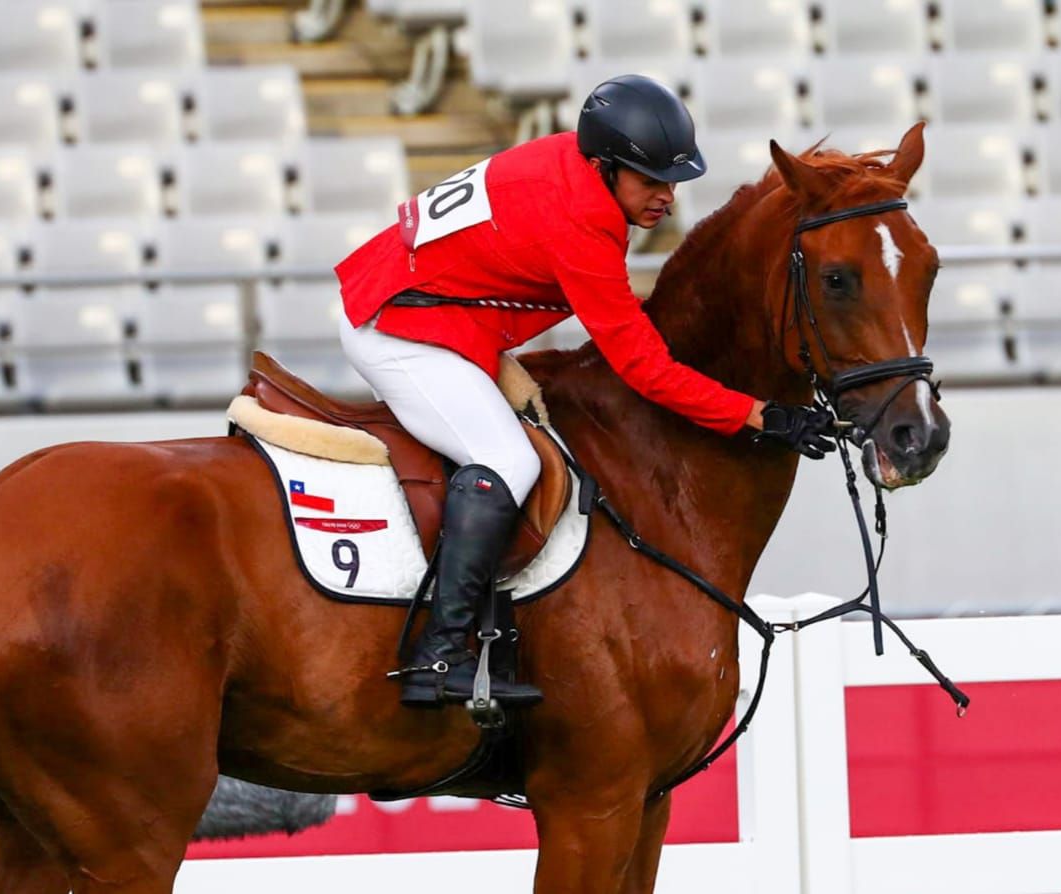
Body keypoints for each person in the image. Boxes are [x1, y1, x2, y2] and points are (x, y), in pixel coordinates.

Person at [335, 74, 835, 710]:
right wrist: (757, 416)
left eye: (674, 180)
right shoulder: (580, 223)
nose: (667, 198)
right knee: (508, 462)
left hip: (427, 307)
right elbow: (645, 368)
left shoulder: (575, 164)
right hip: (398, 330)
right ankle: (439, 654)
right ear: (603, 167)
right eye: (650, 180)